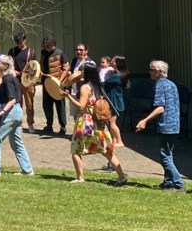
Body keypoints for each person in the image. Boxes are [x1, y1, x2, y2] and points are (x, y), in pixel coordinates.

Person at [62, 61, 128, 184]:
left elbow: (81, 106)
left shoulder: (85, 87)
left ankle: (80, 177)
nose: (79, 73)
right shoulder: (97, 86)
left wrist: (68, 96)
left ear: (85, 72)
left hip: (86, 122)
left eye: (81, 71)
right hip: (98, 123)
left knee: (76, 150)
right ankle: (121, 176)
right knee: (107, 151)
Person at [135, 60, 185, 192]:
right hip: (175, 124)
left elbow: (160, 108)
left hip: (166, 125)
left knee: (165, 157)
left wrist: (145, 120)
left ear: (159, 72)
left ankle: (179, 183)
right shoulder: (172, 84)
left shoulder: (160, 86)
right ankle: (168, 182)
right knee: (169, 154)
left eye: (152, 69)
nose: (149, 72)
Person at [0, 56, 34, 177]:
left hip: (10, 111)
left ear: (5, 66)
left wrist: (2, 111)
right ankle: (28, 170)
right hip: (17, 112)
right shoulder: (12, 78)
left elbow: (13, 99)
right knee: (16, 142)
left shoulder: (8, 79)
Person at [8, 32, 37, 133]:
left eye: (21, 42)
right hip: (16, 81)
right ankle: (18, 123)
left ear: (25, 40)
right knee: (17, 104)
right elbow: (8, 64)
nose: (19, 44)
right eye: (17, 43)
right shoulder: (12, 51)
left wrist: (29, 72)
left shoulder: (31, 52)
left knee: (30, 104)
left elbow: (35, 67)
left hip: (28, 81)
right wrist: (13, 70)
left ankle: (30, 124)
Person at [39, 37, 69, 136]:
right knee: (47, 106)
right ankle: (49, 125)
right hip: (46, 84)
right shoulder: (43, 53)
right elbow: (41, 65)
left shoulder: (61, 53)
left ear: (53, 45)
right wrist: (40, 73)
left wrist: (59, 82)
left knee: (60, 106)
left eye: (48, 46)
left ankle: (63, 127)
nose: (47, 48)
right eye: (45, 46)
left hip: (57, 83)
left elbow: (65, 68)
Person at [102, 55, 129, 149]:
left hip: (115, 102)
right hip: (112, 100)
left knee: (112, 123)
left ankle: (120, 141)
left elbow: (103, 83)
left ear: (118, 64)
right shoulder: (115, 73)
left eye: (113, 61)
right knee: (110, 122)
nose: (111, 63)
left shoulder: (117, 76)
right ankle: (113, 140)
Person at [67, 43, 92, 129]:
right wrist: (69, 73)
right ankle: (77, 131)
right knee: (75, 114)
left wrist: (80, 79)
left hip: (83, 92)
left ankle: (83, 132)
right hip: (73, 90)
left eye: (81, 50)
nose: (78, 52)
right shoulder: (74, 60)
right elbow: (71, 71)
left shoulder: (90, 62)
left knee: (83, 113)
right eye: (77, 50)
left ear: (86, 51)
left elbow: (92, 79)